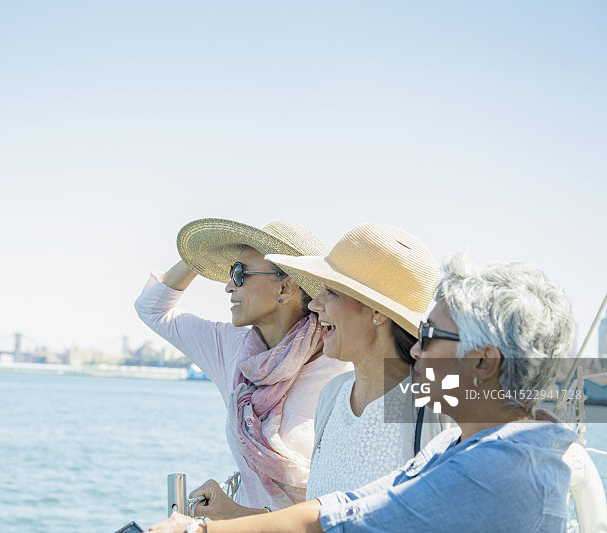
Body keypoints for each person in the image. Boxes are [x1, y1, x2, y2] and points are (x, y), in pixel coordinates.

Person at [148, 254, 583, 533]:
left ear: (484, 363)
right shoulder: (462, 443)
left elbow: (361, 519)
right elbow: (346, 504)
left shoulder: (500, 463)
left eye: (429, 335)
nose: (416, 348)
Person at [134, 218, 351, 518]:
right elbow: (152, 308)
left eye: (239, 274)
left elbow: (342, 509)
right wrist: (198, 257)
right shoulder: (233, 350)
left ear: (286, 287)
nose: (227, 286)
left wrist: (232, 513)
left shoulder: (343, 360)